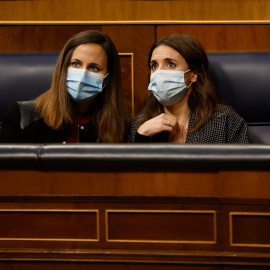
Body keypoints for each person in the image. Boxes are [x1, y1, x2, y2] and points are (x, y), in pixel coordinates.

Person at [0, 30, 130, 143]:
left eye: (94, 68)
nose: (83, 74)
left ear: (106, 79)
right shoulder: (23, 116)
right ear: (63, 68)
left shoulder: (119, 124)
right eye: (76, 64)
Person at [128, 34, 249, 143]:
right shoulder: (139, 124)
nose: (159, 73)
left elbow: (244, 166)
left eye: (170, 64)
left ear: (194, 75)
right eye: (154, 66)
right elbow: (129, 167)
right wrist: (141, 136)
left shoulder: (225, 121)